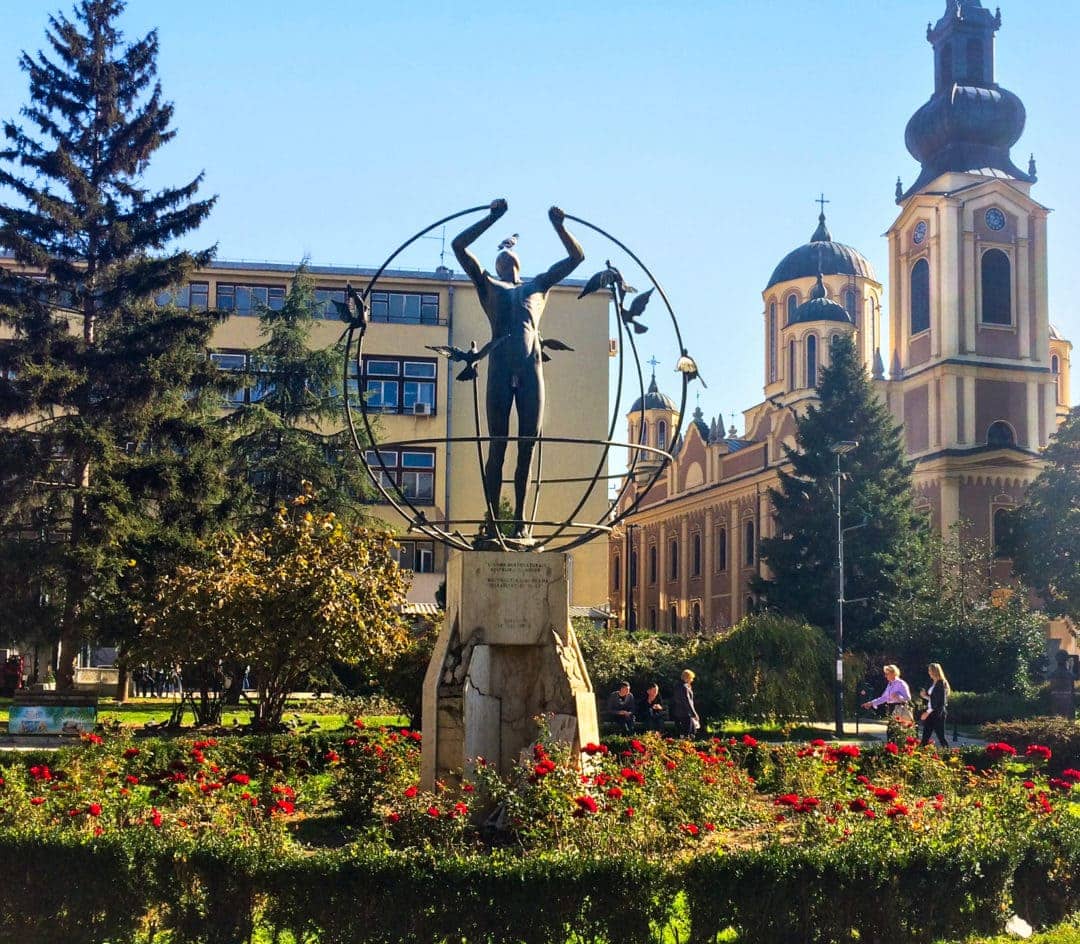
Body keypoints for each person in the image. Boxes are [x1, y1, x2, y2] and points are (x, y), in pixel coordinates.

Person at [452, 199, 585, 540]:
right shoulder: (488, 287)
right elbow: (459, 246)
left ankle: (521, 521)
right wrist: (491, 217)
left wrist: (559, 225)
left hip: (530, 371)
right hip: (498, 371)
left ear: (518, 265)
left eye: (507, 259)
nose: (502, 260)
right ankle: (494, 521)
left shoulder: (537, 286)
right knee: (498, 445)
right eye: (498, 259)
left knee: (526, 446)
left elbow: (576, 258)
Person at [861, 664, 913, 738]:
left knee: (895, 731)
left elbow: (908, 698)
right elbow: (884, 698)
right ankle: (892, 747)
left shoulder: (901, 683)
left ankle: (895, 747)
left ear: (893, 673)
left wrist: (899, 697)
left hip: (899, 709)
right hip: (891, 708)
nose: (885, 676)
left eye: (887, 674)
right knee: (892, 731)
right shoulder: (890, 684)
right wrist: (871, 703)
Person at [918, 662, 950, 748]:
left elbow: (938, 702)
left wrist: (927, 713)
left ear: (935, 671)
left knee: (941, 736)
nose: (929, 672)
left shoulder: (941, 683)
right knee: (925, 737)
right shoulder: (934, 683)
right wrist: (925, 696)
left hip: (938, 714)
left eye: (930, 670)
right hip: (932, 712)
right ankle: (920, 755)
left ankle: (950, 755)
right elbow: (933, 699)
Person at [670, 669, 700, 738]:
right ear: (688, 678)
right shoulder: (684, 687)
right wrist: (694, 714)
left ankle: (684, 745)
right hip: (686, 713)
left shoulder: (678, 686)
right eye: (691, 678)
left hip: (678, 712)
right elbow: (687, 701)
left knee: (684, 732)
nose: (692, 680)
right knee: (690, 732)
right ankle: (687, 746)